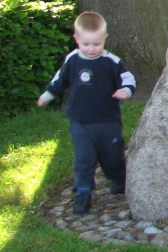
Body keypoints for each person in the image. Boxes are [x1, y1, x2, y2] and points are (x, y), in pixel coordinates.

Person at [38, 11, 136, 214]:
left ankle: (118, 178)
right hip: (80, 122)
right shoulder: (73, 60)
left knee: (112, 155)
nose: (91, 49)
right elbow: (60, 80)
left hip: (108, 121)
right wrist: (48, 95)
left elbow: (128, 79)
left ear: (104, 39)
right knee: (83, 157)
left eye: (97, 44)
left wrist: (124, 91)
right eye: (86, 44)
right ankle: (83, 192)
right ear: (76, 39)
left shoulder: (111, 62)